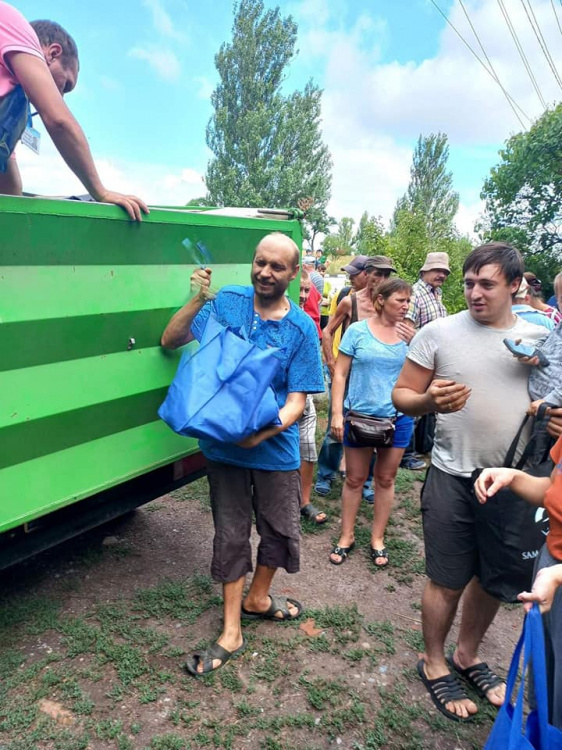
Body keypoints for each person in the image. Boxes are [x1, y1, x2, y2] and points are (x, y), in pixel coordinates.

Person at [392, 242, 548, 722]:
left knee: (491, 577)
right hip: (452, 475)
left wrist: (556, 418)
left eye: (487, 284)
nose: (475, 293)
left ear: (515, 286)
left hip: (513, 482)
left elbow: (552, 400)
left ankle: (467, 654)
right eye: (468, 283)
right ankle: (434, 661)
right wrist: (428, 403)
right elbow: (401, 395)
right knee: (447, 577)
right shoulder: (439, 333)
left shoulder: (541, 337)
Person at [161, 232, 324, 676]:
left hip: (274, 448)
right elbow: (170, 339)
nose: (265, 272)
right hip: (223, 446)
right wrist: (197, 299)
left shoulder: (302, 329)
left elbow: (298, 398)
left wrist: (265, 432)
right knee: (231, 533)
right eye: (260, 262)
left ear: (293, 274)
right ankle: (231, 628)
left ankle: (258, 597)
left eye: (276, 267)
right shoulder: (228, 302)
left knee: (279, 527)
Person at [0, 2, 147, 220]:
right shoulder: (13, 24)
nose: (60, 96)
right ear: (53, 53)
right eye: (66, 85)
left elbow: (8, 188)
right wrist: (100, 192)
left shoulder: (12, 109)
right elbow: (59, 121)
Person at [474, 435, 562, 729]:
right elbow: (552, 489)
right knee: (548, 680)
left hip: (555, 575)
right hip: (550, 564)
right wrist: (512, 477)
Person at [329, 278, 415, 568]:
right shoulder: (357, 331)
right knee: (354, 479)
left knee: (386, 478)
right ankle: (346, 535)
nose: (406, 306)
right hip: (360, 416)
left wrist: (415, 341)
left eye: (408, 301)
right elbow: (340, 374)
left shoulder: (412, 335)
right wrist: (337, 413)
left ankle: (378, 538)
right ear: (381, 301)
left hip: (398, 418)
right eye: (399, 300)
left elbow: (425, 372)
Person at [315, 256, 400, 501]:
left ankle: (367, 481)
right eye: (377, 274)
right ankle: (326, 473)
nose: (381, 279)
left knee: (375, 428)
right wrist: (331, 363)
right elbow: (327, 330)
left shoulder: (389, 306)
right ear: (366, 273)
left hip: (375, 381)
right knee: (336, 427)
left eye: (386, 275)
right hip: (347, 377)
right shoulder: (350, 301)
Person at [401, 251, 452, 471]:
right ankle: (404, 454)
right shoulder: (415, 294)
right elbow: (405, 329)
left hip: (432, 361)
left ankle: (416, 449)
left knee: (424, 409)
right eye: (437, 270)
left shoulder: (436, 294)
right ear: (424, 271)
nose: (441, 274)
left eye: (444, 271)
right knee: (411, 410)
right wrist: (422, 344)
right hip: (418, 361)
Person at [298, 271, 327, 525]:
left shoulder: (307, 320)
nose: (303, 295)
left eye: (307, 291)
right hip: (278, 399)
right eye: (300, 289)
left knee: (308, 448)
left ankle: (303, 501)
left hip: (303, 398)